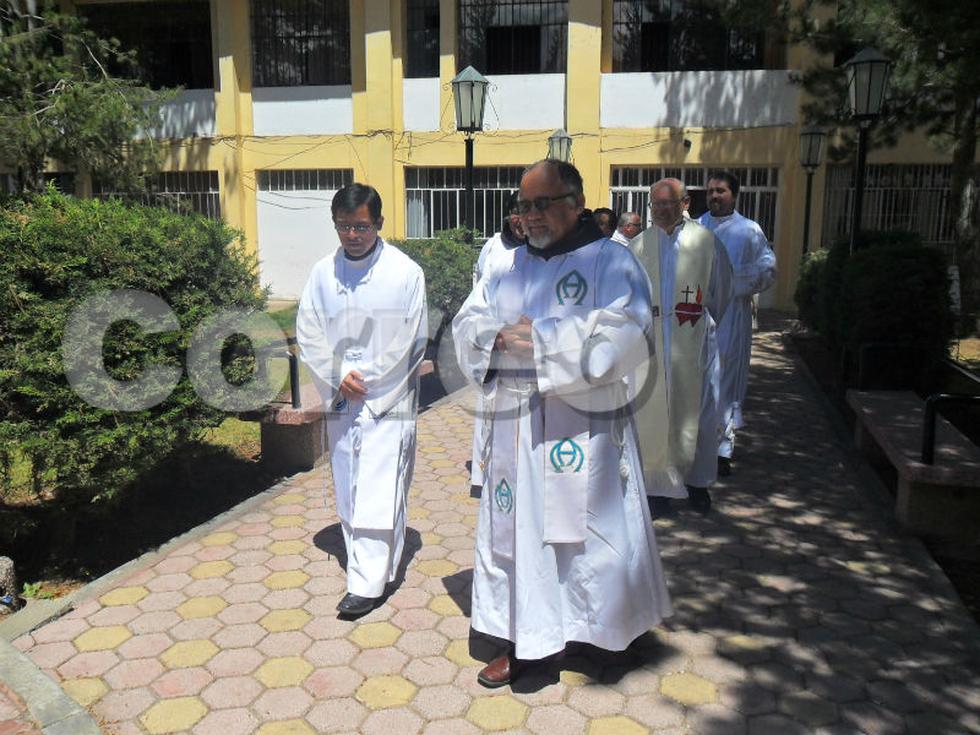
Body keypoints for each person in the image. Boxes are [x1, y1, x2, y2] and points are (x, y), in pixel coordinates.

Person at [453, 159, 672, 688]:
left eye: (542, 203)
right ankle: (527, 641)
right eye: (524, 205)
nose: (530, 215)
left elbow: (629, 331)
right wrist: (493, 338)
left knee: (591, 529)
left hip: (583, 424)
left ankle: (605, 630)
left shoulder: (612, 263)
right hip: (518, 427)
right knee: (522, 532)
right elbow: (468, 319)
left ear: (575, 203)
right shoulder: (506, 266)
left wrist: (545, 340)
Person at [296, 183, 428, 618]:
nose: (352, 235)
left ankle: (367, 583)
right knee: (349, 483)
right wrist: (337, 375)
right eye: (344, 226)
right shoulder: (322, 274)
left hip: (387, 398)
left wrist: (368, 380)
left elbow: (411, 338)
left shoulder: (405, 272)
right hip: (341, 396)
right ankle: (367, 566)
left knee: (381, 485)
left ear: (379, 224)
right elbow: (308, 330)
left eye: (361, 227)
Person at [630, 178, 732, 517]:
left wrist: (700, 322)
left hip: (693, 339)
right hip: (652, 342)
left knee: (699, 412)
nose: (661, 210)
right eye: (656, 204)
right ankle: (656, 487)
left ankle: (698, 483)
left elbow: (720, 290)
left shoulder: (706, 242)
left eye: (668, 203)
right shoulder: (639, 245)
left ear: (684, 203)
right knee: (653, 412)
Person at [697, 171, 776, 475]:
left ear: (734, 194)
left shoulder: (749, 231)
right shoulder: (695, 228)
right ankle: (696, 445)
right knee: (698, 380)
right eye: (710, 191)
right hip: (697, 317)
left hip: (732, 316)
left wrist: (730, 283)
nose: (714, 196)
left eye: (720, 191)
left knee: (727, 381)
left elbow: (767, 270)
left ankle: (722, 449)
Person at [468, 195, 526, 490]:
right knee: (491, 412)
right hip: (497, 347)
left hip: (530, 352)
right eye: (515, 211)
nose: (521, 219)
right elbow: (480, 293)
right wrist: (491, 334)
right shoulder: (494, 248)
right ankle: (484, 473)